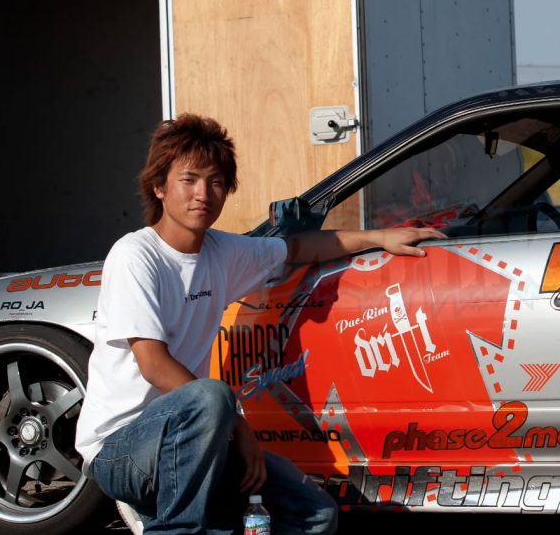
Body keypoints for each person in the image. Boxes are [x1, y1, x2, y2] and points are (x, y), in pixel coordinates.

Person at [74, 114, 444, 534]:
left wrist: (380, 238)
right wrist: (237, 424)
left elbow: (297, 248)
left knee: (315, 516)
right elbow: (154, 365)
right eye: (189, 180)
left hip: (200, 439)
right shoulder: (135, 255)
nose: (203, 195)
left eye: (216, 182)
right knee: (212, 396)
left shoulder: (222, 252)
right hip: (122, 450)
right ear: (159, 187)